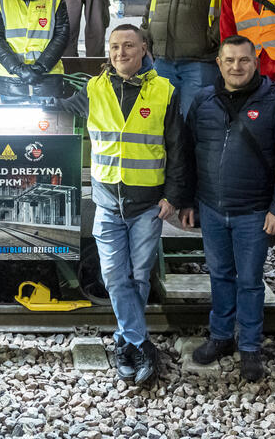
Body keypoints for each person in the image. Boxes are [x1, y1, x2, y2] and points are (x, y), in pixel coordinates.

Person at [53, 23, 191, 386]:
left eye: (128, 46)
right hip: (107, 202)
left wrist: (173, 197)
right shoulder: (94, 89)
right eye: (114, 47)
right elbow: (57, 105)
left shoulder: (164, 91)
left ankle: (125, 343)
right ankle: (140, 343)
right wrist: (32, 89)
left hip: (148, 204)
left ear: (144, 48)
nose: (120, 53)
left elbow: (178, 148)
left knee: (139, 276)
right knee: (114, 275)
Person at [180, 35, 275, 381]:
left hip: (254, 211)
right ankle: (221, 337)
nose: (237, 67)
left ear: (256, 62)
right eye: (230, 60)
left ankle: (250, 347)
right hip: (211, 208)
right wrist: (188, 200)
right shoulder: (204, 100)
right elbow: (188, 153)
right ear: (218, 64)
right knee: (219, 275)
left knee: (249, 281)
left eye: (244, 60)